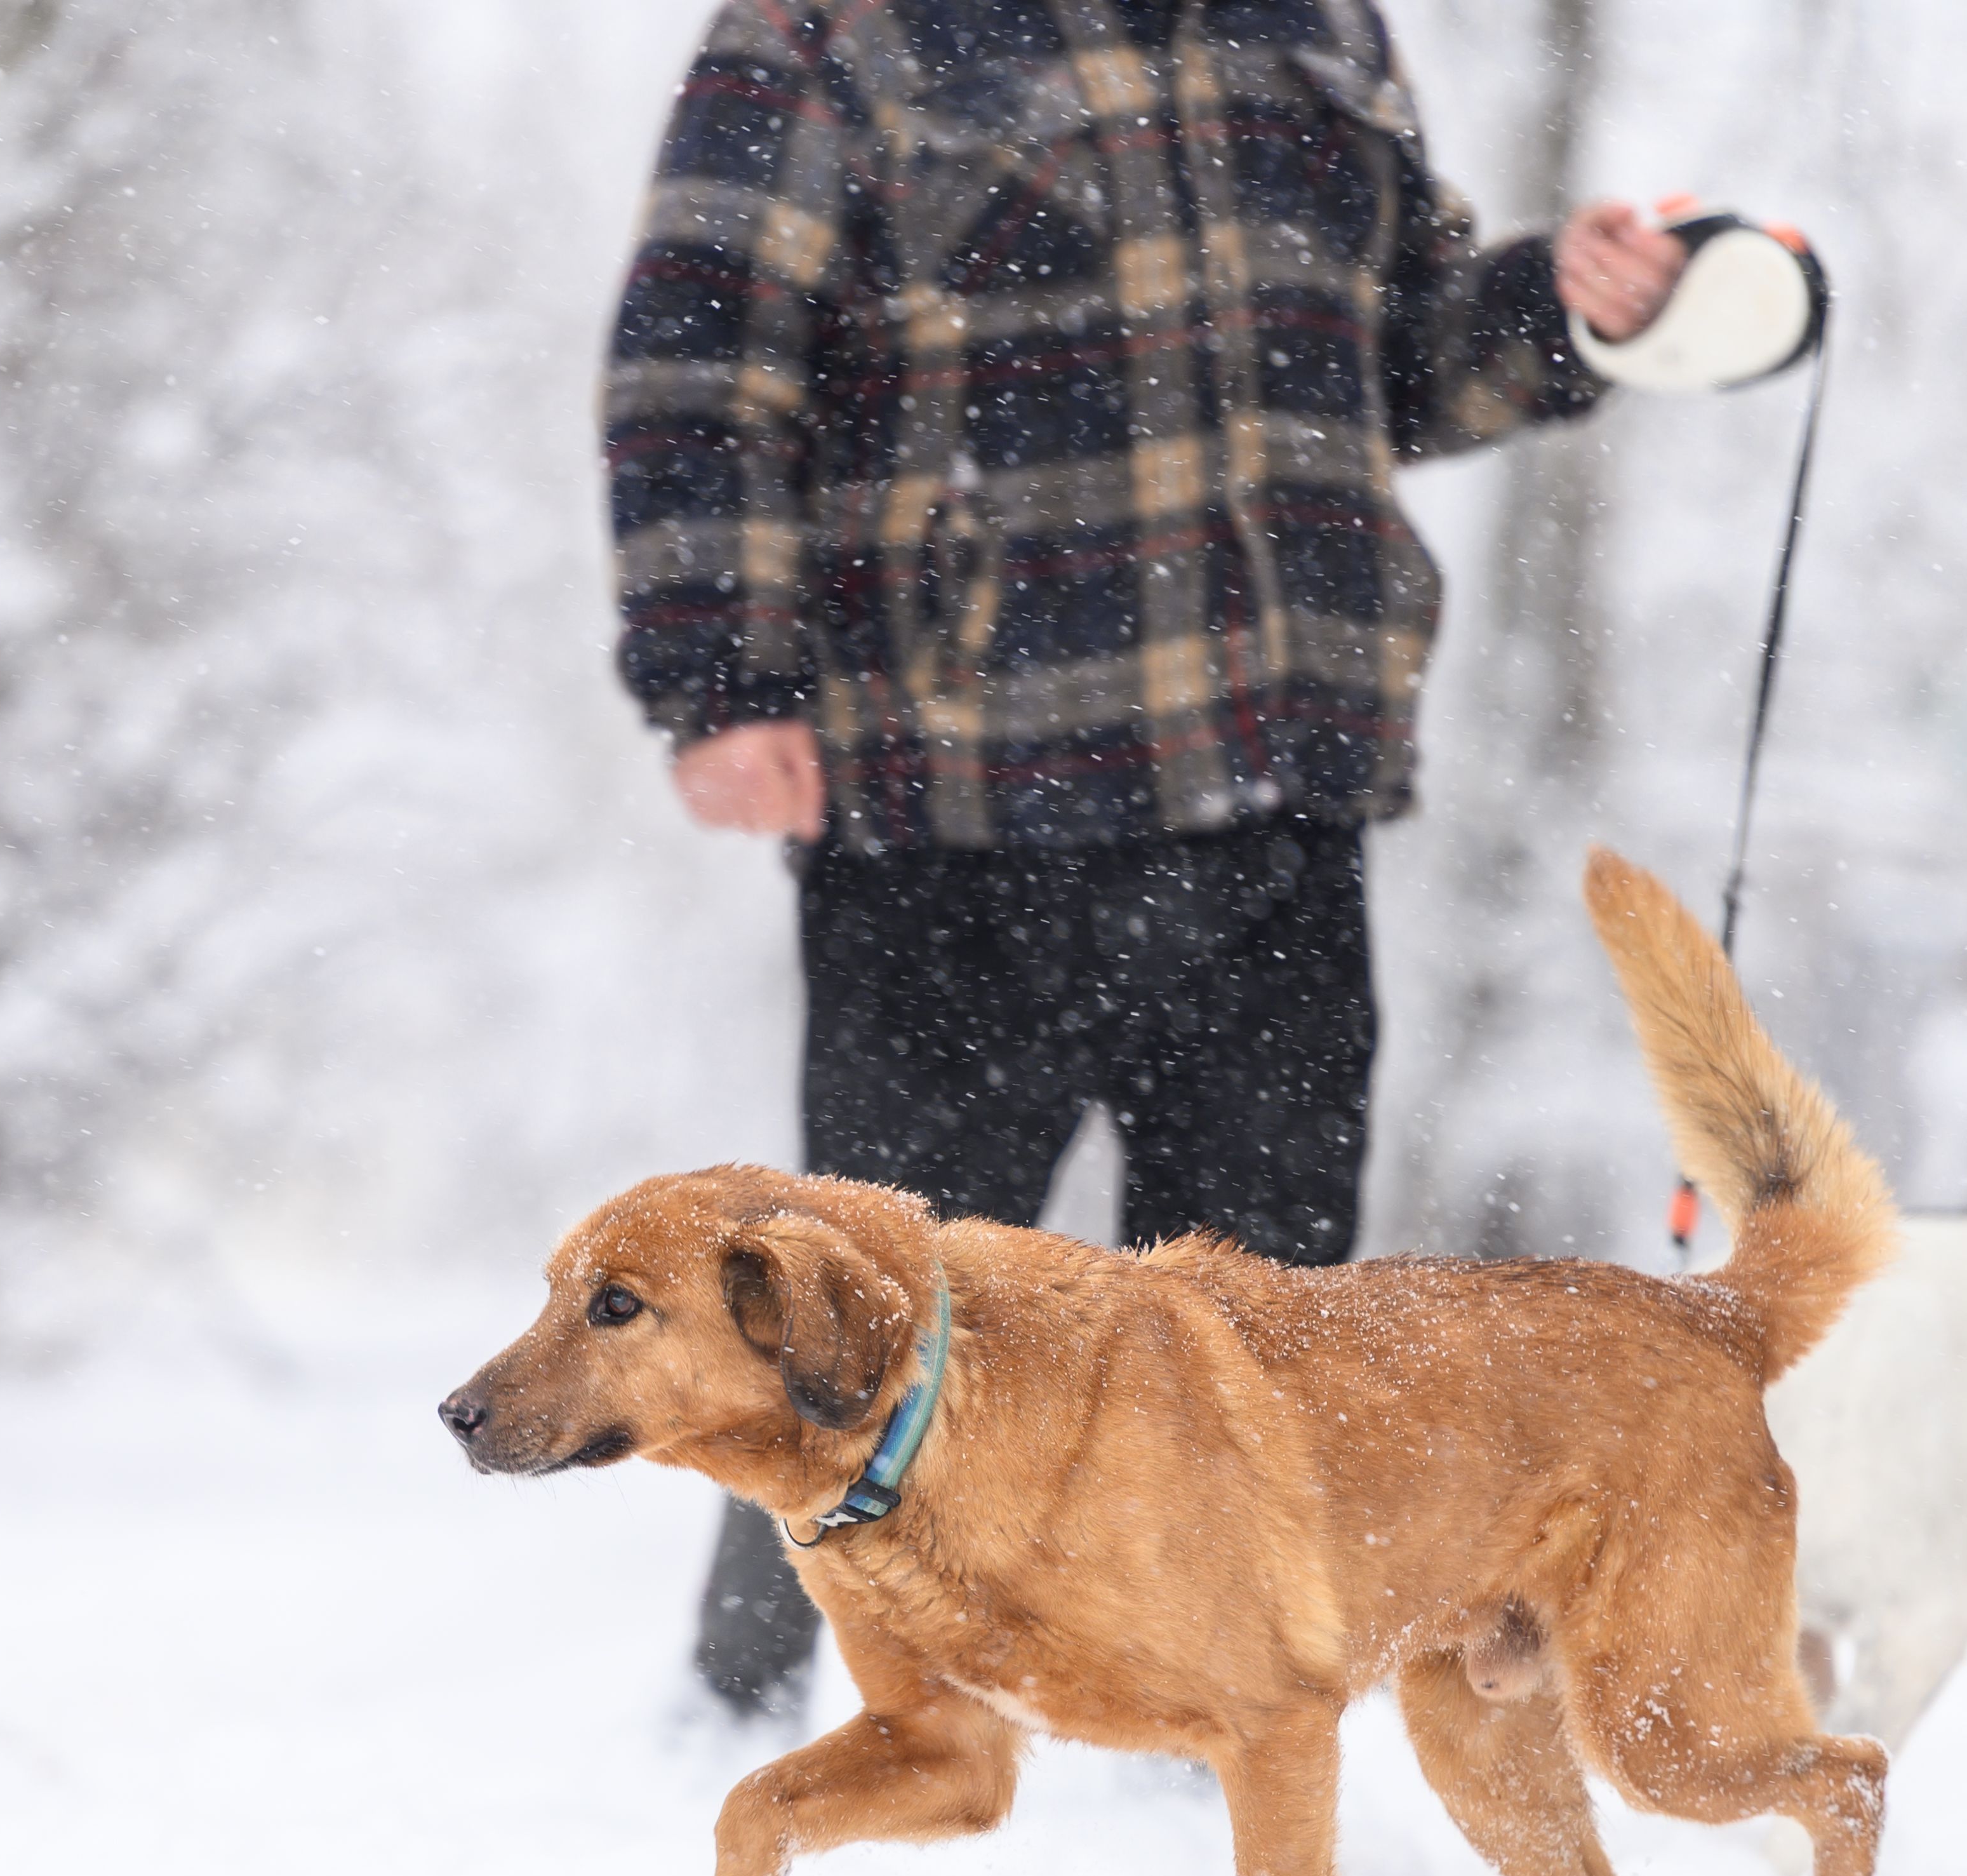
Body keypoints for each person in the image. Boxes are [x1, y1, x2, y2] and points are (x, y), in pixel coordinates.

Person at [604, 1, 1688, 1717]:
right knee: (845, 1329)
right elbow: (700, 358)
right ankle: (743, 1706)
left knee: (1267, 1359)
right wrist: (719, 680)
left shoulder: (1318, 28)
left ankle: (1225, 1754)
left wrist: (1557, 307)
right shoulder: (832, 32)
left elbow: (1398, 359)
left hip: (1272, 798)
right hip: (952, 816)